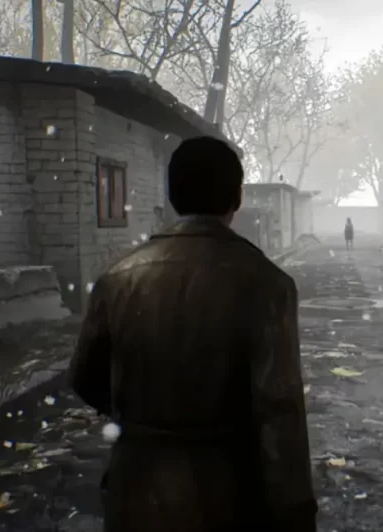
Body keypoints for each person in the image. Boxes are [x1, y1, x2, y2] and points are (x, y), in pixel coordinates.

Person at [70, 136, 317, 532]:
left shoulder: (117, 278)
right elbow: (279, 409)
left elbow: (85, 378)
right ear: (237, 198)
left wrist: (143, 415)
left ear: (172, 196)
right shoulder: (267, 283)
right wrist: (296, 510)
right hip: (228, 490)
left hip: (137, 486)